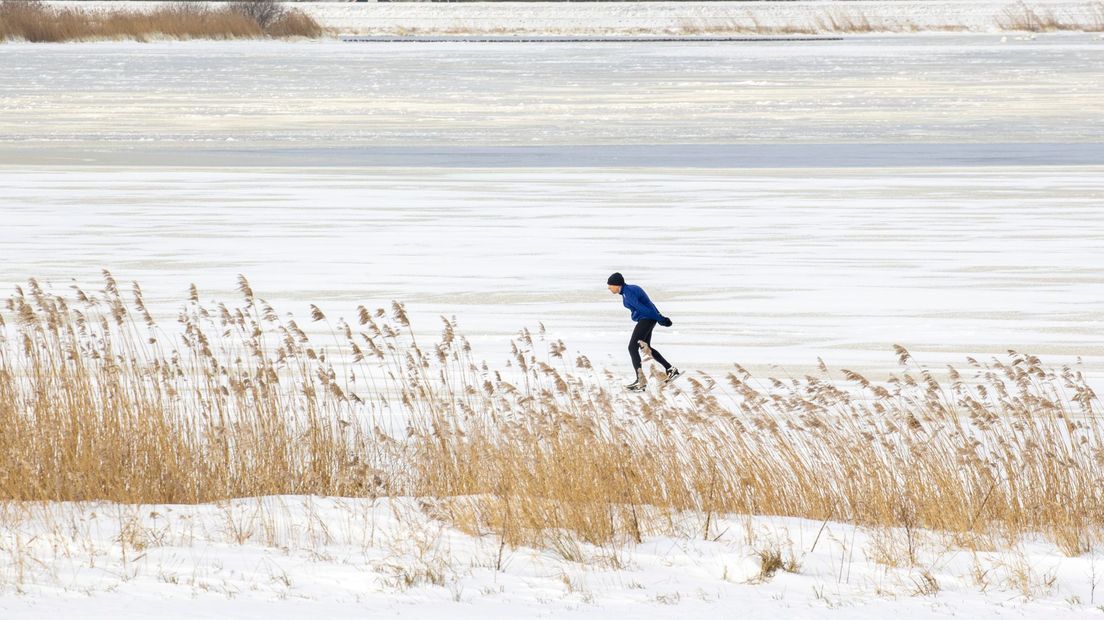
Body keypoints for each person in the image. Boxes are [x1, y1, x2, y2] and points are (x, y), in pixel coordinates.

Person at [607, 272, 681, 391]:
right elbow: (648, 305)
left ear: (617, 284)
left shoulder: (628, 292)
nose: (609, 288)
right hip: (647, 318)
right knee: (646, 347)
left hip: (646, 319)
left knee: (632, 347)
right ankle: (670, 369)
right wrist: (659, 317)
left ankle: (640, 381)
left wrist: (661, 318)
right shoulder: (627, 291)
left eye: (610, 285)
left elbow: (644, 308)